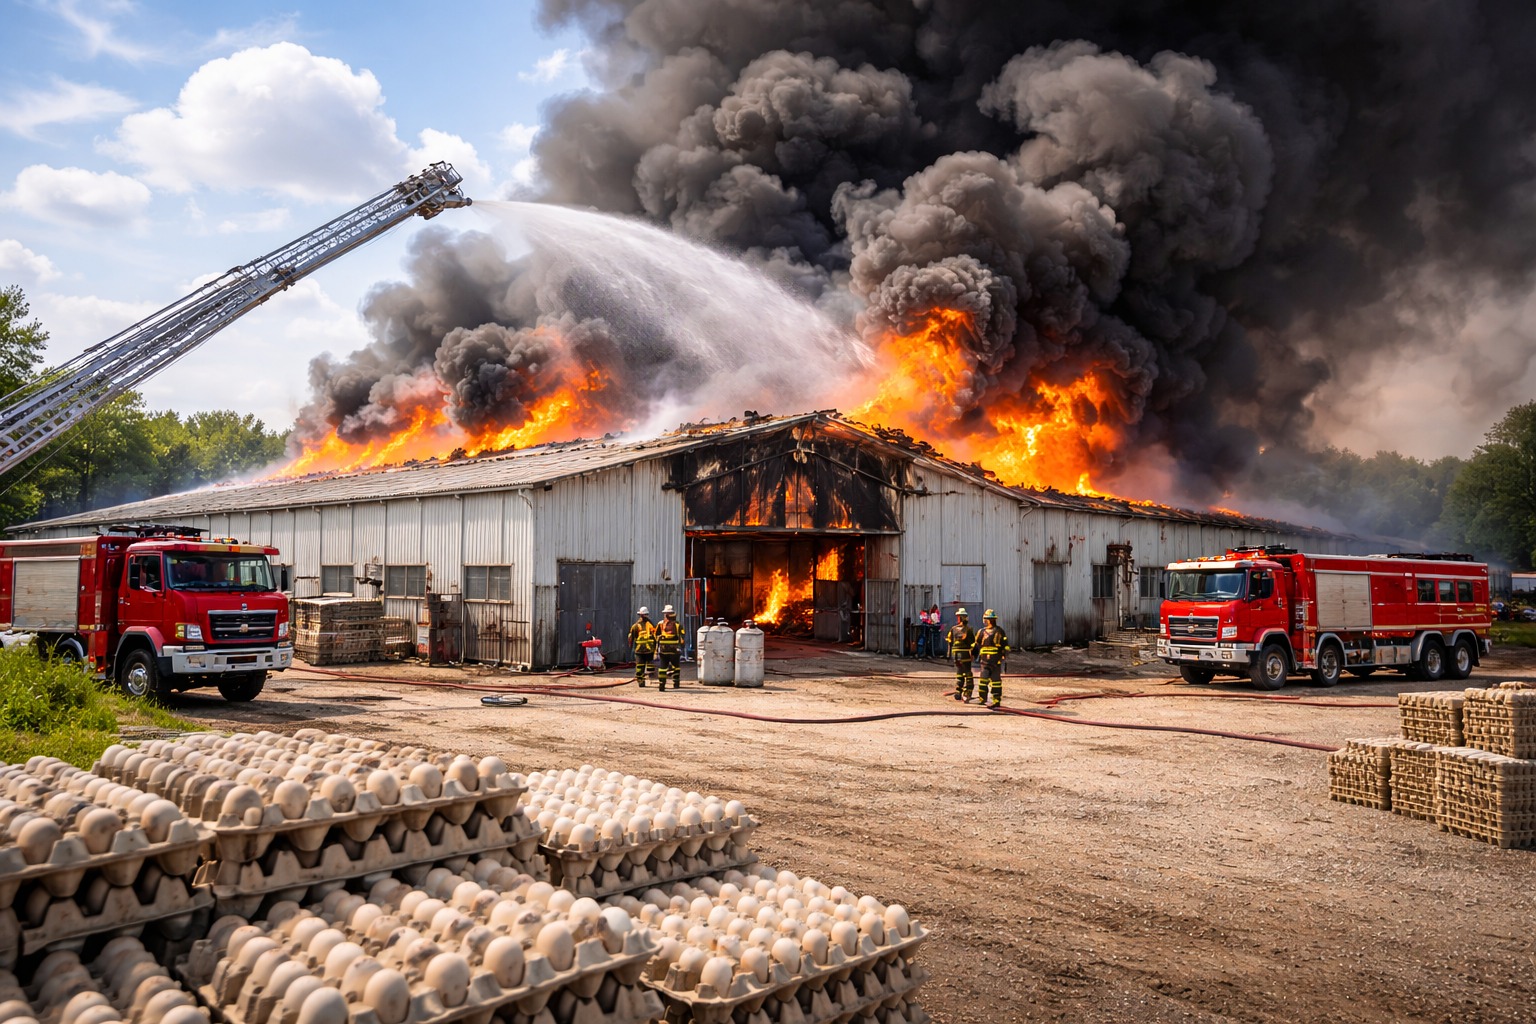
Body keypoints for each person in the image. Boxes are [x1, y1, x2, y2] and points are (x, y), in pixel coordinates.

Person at [972, 609, 1010, 709]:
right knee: (983, 681)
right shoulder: (981, 632)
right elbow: (976, 645)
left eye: (986, 619)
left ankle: (996, 700)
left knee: (996, 682)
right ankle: (982, 699)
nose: (985, 621)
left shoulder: (999, 631)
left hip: (995, 661)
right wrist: (973, 654)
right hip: (984, 661)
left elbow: (1005, 645)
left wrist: (1004, 656)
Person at [946, 607, 977, 702]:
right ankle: (968, 692)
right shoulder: (969, 629)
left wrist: (948, 655)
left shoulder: (953, 629)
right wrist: (974, 655)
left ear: (959, 617)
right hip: (965, 655)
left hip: (956, 655)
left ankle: (958, 692)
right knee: (968, 673)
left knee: (959, 673)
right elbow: (973, 644)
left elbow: (950, 642)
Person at [655, 604, 685, 690]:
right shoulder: (677, 624)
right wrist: (681, 646)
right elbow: (682, 636)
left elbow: (656, 636)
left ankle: (662, 684)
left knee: (663, 667)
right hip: (674, 650)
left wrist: (657, 647)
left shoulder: (660, 624)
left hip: (664, 650)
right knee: (675, 667)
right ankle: (676, 683)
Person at [628, 606, 657, 686]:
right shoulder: (651, 625)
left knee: (640, 666)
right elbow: (655, 637)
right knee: (646, 666)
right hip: (649, 650)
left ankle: (641, 681)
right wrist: (655, 648)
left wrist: (630, 647)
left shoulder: (635, 626)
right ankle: (647, 678)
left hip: (639, 650)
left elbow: (631, 637)